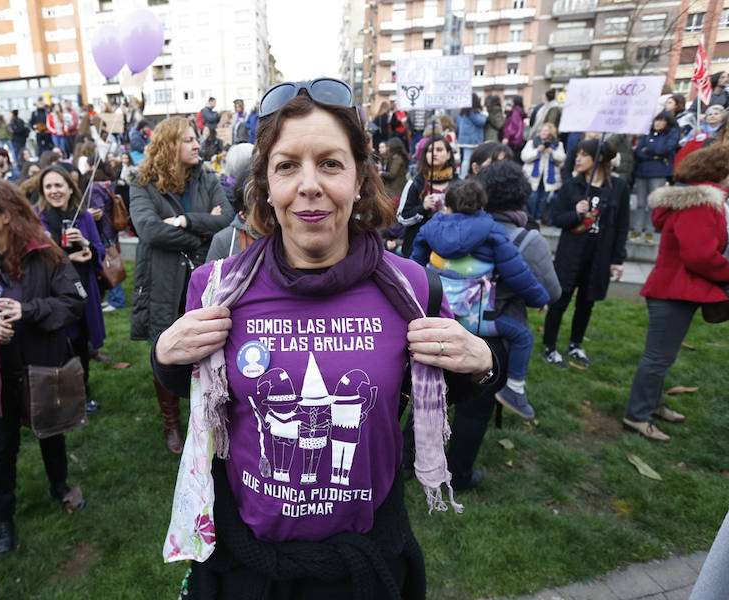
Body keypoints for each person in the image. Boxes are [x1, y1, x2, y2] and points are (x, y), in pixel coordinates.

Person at [156, 78, 495, 597]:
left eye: (330, 163)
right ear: (265, 184)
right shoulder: (214, 287)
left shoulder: (412, 288)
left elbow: (446, 386)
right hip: (247, 568)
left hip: (362, 568)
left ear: (359, 177)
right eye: (288, 165)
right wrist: (164, 358)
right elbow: (200, 391)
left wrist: (480, 365)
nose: (309, 185)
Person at [0, 180, 87, 555]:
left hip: (44, 367)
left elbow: (73, 302)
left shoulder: (44, 253)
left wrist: (30, 310)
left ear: (6, 214)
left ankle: (60, 486)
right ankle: (3, 519)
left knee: (51, 434)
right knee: (3, 448)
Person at [446, 156, 561, 491]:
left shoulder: (454, 226)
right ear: (521, 195)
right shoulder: (527, 240)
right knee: (473, 409)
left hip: (448, 321)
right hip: (494, 332)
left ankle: (409, 460)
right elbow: (551, 292)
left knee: (433, 396)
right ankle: (459, 475)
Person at [128, 116, 234, 454]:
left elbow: (227, 219)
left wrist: (187, 220)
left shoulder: (207, 177)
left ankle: (209, 413)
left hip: (204, 277)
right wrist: (200, 232)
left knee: (210, 343)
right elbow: (149, 230)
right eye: (188, 139)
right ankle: (171, 421)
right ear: (170, 144)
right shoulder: (143, 184)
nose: (196, 145)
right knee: (167, 346)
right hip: (162, 279)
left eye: (196, 139)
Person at [409, 179, 549, 418]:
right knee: (523, 336)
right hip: (478, 318)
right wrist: (539, 298)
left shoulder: (431, 227)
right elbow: (517, 273)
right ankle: (514, 390)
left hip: (438, 312)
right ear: (482, 204)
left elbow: (414, 267)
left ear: (447, 204)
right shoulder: (492, 229)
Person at [623, 143, 729, 441]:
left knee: (662, 357)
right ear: (719, 170)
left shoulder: (701, 200)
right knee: (658, 358)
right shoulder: (700, 202)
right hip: (672, 293)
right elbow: (699, 255)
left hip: (677, 291)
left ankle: (652, 404)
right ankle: (637, 416)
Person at [542, 139, 629, 368]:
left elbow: (622, 225)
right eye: (577, 154)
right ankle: (549, 347)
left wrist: (617, 260)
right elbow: (557, 219)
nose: (577, 159)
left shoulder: (618, 187)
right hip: (571, 253)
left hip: (599, 255)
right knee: (560, 300)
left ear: (599, 158)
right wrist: (575, 212)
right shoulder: (572, 186)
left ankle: (575, 344)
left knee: (586, 302)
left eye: (583, 154)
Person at [35, 165, 106, 413]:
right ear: (43, 191)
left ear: (69, 187)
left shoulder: (83, 216)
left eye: (58, 185)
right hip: (52, 294)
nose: (54, 191)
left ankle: (83, 393)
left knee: (80, 344)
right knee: (57, 345)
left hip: (82, 289)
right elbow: (35, 260)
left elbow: (99, 249)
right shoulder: (37, 218)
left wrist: (86, 244)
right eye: (49, 187)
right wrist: (67, 259)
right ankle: (60, 396)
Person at [398, 135, 459, 259]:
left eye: (439, 150)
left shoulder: (459, 184)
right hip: (419, 250)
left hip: (451, 249)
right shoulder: (415, 183)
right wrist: (422, 207)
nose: (434, 154)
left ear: (448, 154)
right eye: (430, 151)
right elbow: (402, 217)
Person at [632, 111, 679, 241]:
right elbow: (638, 153)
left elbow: (663, 150)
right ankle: (636, 229)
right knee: (641, 203)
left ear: (667, 123)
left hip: (659, 172)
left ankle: (649, 231)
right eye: (657, 120)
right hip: (642, 171)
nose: (658, 123)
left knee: (653, 203)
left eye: (662, 120)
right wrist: (654, 155)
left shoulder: (671, 134)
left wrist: (648, 150)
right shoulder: (647, 134)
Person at [521, 122, 566, 224]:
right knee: (532, 197)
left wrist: (552, 153)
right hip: (532, 177)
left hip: (548, 178)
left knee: (543, 199)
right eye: (542, 130)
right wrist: (537, 151)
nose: (543, 132)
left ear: (551, 132)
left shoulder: (558, 144)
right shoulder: (532, 143)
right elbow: (524, 157)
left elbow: (562, 158)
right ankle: (530, 218)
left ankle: (538, 219)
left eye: (546, 130)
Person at [456, 93, 487, 178]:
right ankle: (464, 177)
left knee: (465, 159)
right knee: (468, 159)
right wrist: (484, 114)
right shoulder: (472, 112)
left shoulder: (463, 112)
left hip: (464, 140)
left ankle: (463, 176)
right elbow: (481, 122)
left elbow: (457, 125)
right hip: (471, 140)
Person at [380, 137, 409, 202]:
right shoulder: (397, 157)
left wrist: (381, 173)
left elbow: (392, 174)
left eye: (388, 146)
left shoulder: (397, 158)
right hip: (394, 188)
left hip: (394, 190)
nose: (387, 148)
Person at [502, 95, 526, 161]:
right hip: (518, 140)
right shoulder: (520, 111)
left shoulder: (515, 112)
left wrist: (506, 137)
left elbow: (512, 127)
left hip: (512, 140)